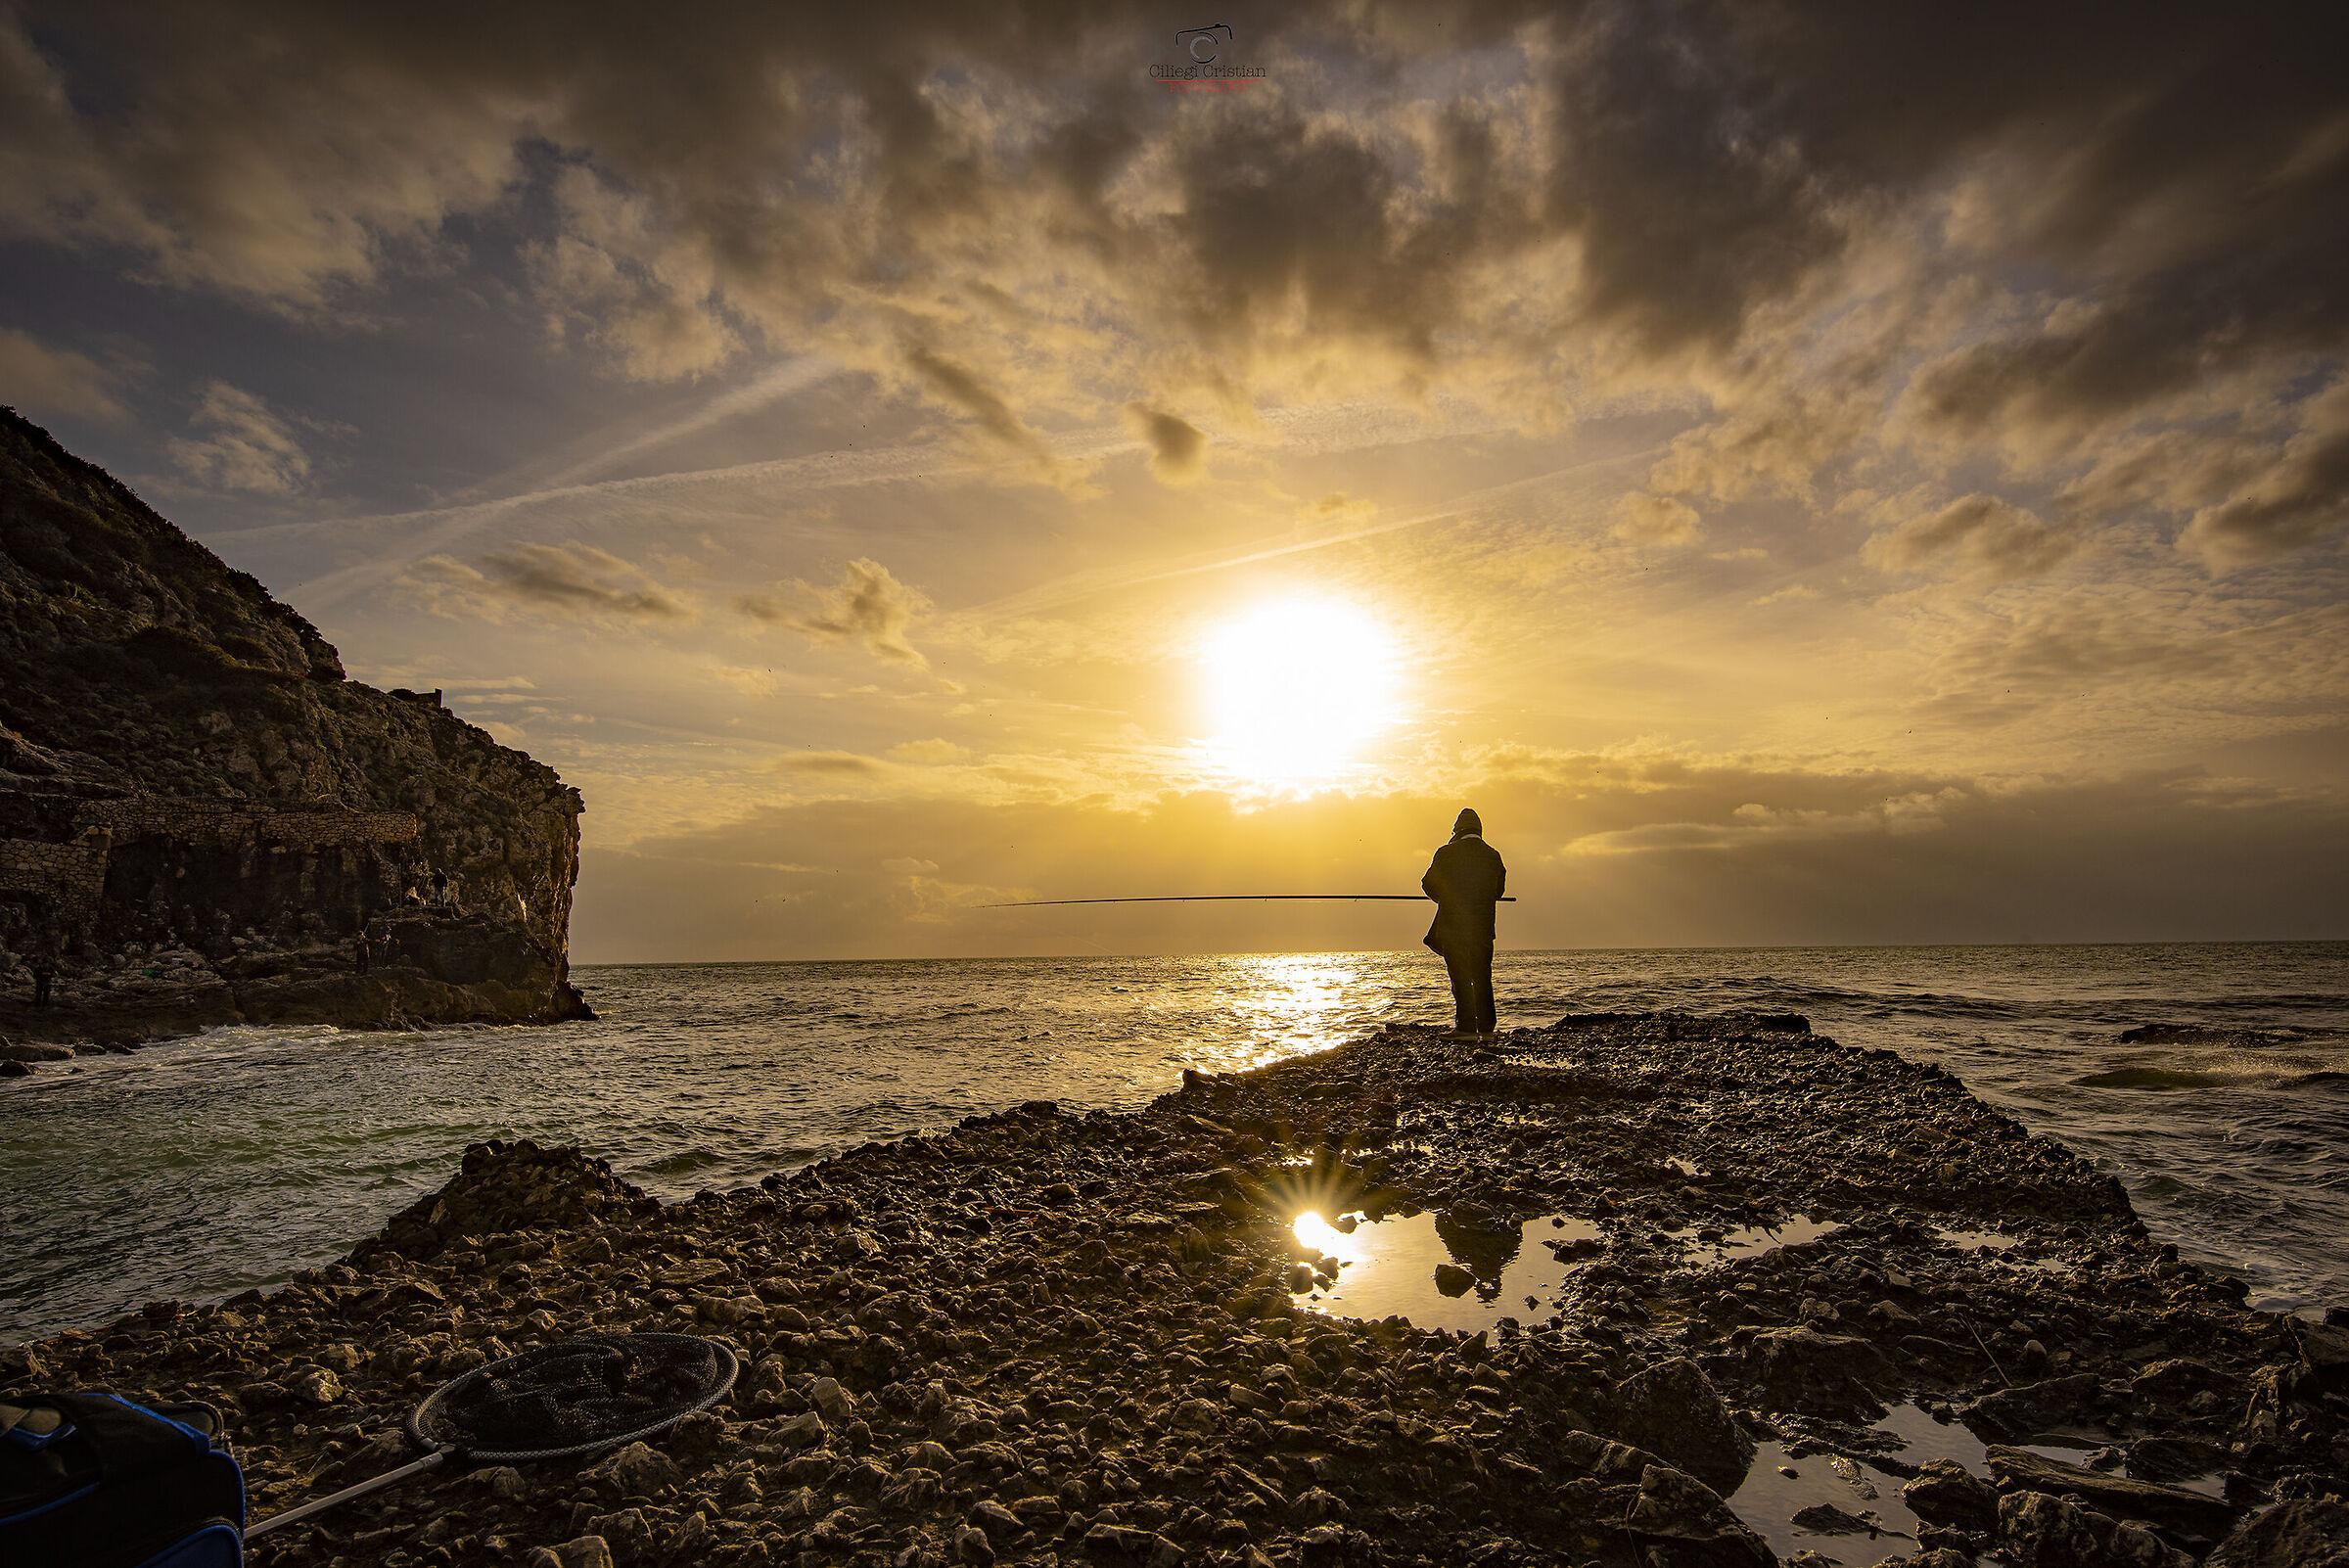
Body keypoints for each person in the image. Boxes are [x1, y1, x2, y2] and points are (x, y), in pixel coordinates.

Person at [1422, 807, 1505, 1035]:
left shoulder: (1446, 853)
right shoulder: (1493, 855)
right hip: (1483, 930)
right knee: (1482, 976)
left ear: (1457, 831)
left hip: (1453, 927)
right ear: (1480, 830)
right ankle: (1487, 1029)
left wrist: (1444, 899)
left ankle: (1466, 1027)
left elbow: (1428, 883)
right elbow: (1499, 891)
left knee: (1460, 976)